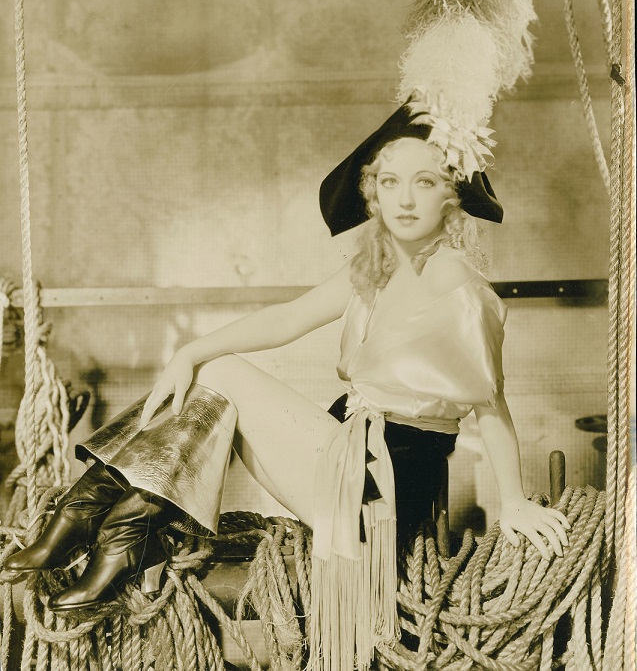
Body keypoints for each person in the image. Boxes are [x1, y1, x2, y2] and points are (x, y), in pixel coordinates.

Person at [4, 93, 570, 670]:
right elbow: (287, 319)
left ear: (451, 196)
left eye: (424, 183)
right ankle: (105, 524)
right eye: (390, 181)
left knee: (220, 373)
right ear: (373, 193)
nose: (404, 199)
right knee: (209, 370)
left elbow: (492, 406)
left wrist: (514, 501)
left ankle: (97, 524)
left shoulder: (458, 285)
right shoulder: (376, 268)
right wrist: (187, 352)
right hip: (345, 455)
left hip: (383, 487)